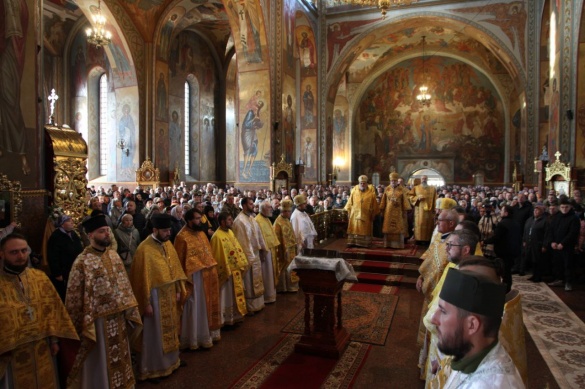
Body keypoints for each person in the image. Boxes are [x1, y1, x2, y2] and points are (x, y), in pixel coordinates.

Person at [65, 214, 142, 388]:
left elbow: (124, 285)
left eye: (107, 230)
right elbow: (74, 298)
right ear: (90, 235)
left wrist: (129, 307)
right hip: (95, 323)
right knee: (99, 358)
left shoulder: (114, 256)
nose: (107, 234)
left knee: (120, 356)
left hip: (119, 318)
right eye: (102, 232)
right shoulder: (82, 262)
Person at [0, 233, 78, 388]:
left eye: (24, 250)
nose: (21, 256)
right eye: (14, 252)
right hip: (11, 354)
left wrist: (54, 340)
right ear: (1, 254)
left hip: (43, 349)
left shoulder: (40, 277)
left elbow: (53, 311)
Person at [430, 268, 524, 388]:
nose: (434, 319)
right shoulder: (471, 355)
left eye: (443, 311)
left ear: (472, 325)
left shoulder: (487, 385)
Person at [130, 213, 189, 382]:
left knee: (171, 328)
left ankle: (173, 360)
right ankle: (152, 368)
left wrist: (178, 289)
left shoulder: (167, 244)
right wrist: (145, 303)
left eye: (169, 230)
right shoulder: (144, 250)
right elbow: (140, 280)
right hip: (154, 298)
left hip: (170, 294)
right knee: (154, 334)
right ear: (155, 230)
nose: (168, 233)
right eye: (164, 231)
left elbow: (175, 269)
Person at [420, 229, 479, 385]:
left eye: (450, 245)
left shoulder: (467, 279)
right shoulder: (457, 269)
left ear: (466, 250)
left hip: (449, 344)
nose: (446, 248)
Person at [174, 208, 221, 350]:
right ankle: (193, 338)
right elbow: (179, 262)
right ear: (188, 220)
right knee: (194, 306)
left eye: (200, 218)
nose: (199, 221)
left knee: (205, 305)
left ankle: (206, 334)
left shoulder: (201, 233)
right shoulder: (181, 237)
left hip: (206, 276)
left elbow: (208, 253)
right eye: (196, 218)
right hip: (193, 279)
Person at [416, 209, 458, 347]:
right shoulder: (440, 238)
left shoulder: (453, 245)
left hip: (440, 297)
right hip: (429, 290)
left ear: (451, 223)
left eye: (440, 220)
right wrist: (421, 276)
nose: (437, 223)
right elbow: (429, 259)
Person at [211, 212, 249, 325]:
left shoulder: (230, 232)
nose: (231, 222)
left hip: (235, 271)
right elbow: (216, 256)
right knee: (226, 297)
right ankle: (226, 319)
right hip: (226, 273)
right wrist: (224, 270)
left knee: (234, 296)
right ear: (222, 222)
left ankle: (235, 317)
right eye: (229, 220)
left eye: (231, 219)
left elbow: (237, 249)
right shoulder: (217, 237)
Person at [232, 197, 267, 314]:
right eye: (250, 204)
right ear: (244, 205)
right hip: (248, 256)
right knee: (249, 281)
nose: (253, 206)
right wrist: (249, 256)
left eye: (253, 204)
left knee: (257, 280)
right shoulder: (239, 221)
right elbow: (241, 241)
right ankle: (249, 307)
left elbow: (259, 235)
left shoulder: (252, 218)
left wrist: (262, 248)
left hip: (256, 254)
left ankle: (259, 304)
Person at [483, 205, 521, 292]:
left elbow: (496, 238)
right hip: (513, 251)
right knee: (507, 272)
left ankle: (504, 291)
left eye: (502, 211)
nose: (500, 212)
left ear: (506, 213)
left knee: (505, 273)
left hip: (504, 251)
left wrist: (484, 241)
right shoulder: (516, 223)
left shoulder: (502, 224)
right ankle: (507, 289)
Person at [46, 214, 83, 301]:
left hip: (74, 269)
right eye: (69, 221)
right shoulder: (56, 236)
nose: (72, 223)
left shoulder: (73, 234)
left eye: (72, 221)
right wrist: (57, 273)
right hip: (63, 271)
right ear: (62, 224)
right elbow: (53, 256)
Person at [546, 198, 580, 291]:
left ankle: (568, 282)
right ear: (559, 208)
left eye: (566, 207)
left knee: (568, 265)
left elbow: (573, 233)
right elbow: (551, 230)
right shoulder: (557, 217)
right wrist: (552, 241)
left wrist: (563, 243)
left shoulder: (574, 218)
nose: (564, 209)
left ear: (570, 207)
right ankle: (559, 279)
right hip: (556, 245)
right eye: (562, 207)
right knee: (557, 264)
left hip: (567, 246)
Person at [344, 175, 379, 247]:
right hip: (354, 215)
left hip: (366, 215)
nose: (362, 184)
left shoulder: (371, 194)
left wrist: (373, 214)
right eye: (361, 183)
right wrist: (348, 212)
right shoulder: (354, 192)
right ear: (359, 183)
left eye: (364, 183)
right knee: (354, 228)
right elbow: (349, 203)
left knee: (364, 229)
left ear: (367, 184)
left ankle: (364, 244)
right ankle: (353, 242)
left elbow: (374, 205)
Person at [273, 199, 299, 292]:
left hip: (291, 248)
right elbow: (277, 238)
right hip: (283, 250)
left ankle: (292, 287)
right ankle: (283, 288)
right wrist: (284, 250)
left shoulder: (287, 220)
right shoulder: (278, 222)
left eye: (290, 211)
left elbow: (291, 233)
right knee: (285, 269)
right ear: (284, 211)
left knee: (291, 268)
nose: (290, 213)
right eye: (288, 211)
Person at [380, 172, 412, 248]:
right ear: (390, 181)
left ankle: (398, 245)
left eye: (394, 181)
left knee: (398, 228)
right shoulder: (387, 189)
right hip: (388, 212)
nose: (393, 182)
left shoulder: (401, 190)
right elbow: (383, 200)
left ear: (397, 181)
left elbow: (405, 201)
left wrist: (405, 209)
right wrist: (381, 208)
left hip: (398, 211)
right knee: (388, 228)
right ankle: (388, 244)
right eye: (391, 181)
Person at [255, 200, 278, 303]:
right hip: (264, 252)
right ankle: (267, 296)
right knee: (266, 273)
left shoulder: (267, 219)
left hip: (270, 250)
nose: (271, 209)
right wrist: (262, 251)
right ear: (263, 209)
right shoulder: (257, 220)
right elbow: (258, 238)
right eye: (269, 207)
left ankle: (271, 294)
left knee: (270, 273)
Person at [523, 202, 548, 282]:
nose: (535, 212)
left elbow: (547, 234)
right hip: (529, 243)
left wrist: (545, 245)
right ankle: (533, 275)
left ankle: (538, 276)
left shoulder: (545, 221)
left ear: (541, 212)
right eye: (535, 210)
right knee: (532, 260)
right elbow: (525, 231)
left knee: (538, 260)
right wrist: (524, 240)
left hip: (538, 243)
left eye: (537, 211)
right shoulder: (530, 219)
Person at [409, 175, 437, 245]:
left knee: (429, 224)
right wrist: (417, 198)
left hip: (429, 211)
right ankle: (418, 239)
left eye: (425, 178)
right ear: (421, 179)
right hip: (419, 211)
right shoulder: (416, 188)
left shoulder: (432, 188)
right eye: (422, 179)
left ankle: (427, 240)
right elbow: (410, 196)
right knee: (420, 224)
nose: (424, 180)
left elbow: (435, 199)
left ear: (427, 179)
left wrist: (435, 209)